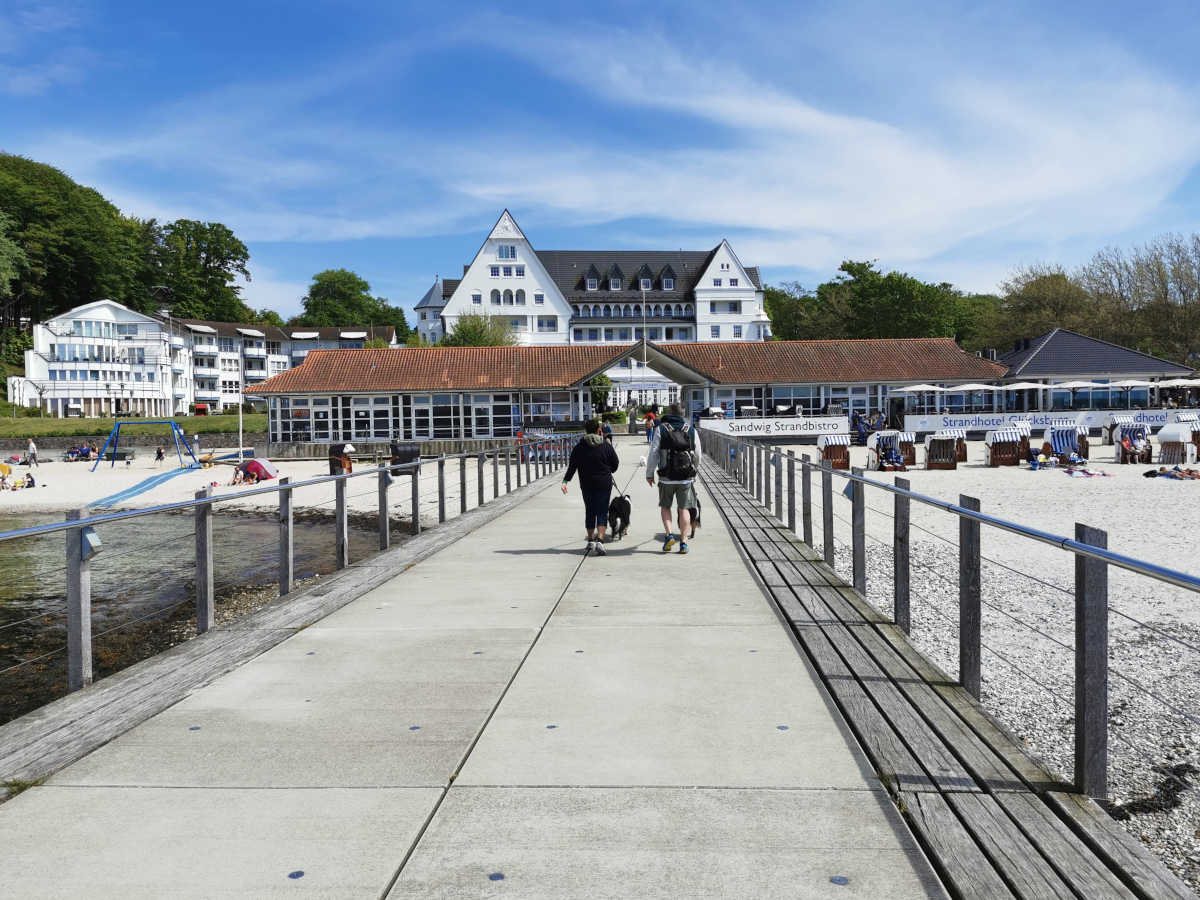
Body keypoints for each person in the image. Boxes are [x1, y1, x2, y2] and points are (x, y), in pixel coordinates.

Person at [561, 419, 620, 555]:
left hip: (586, 483)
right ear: (599, 430)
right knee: (602, 510)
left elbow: (572, 467)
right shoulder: (606, 445)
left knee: (590, 510)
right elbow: (615, 464)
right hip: (604, 483)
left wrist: (565, 481)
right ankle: (600, 540)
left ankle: (590, 540)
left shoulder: (579, 447)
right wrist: (607, 469)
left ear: (585, 431)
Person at [647, 402, 698, 554]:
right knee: (684, 509)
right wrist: (694, 471)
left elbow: (654, 453)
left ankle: (669, 534)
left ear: (670, 412)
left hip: (666, 477)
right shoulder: (690, 430)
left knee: (665, 507)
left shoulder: (661, 429)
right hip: (685, 478)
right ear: (683, 414)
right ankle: (683, 542)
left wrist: (649, 473)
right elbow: (699, 454)